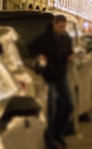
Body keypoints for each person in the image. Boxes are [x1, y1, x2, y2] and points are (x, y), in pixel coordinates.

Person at [36, 15, 74, 149]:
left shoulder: (66, 38)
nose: (63, 29)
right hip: (49, 77)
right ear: (54, 24)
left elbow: (69, 52)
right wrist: (38, 56)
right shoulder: (43, 38)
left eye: (64, 27)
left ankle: (59, 132)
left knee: (70, 104)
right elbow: (32, 49)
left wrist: (70, 56)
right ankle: (51, 140)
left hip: (61, 75)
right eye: (60, 26)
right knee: (51, 108)